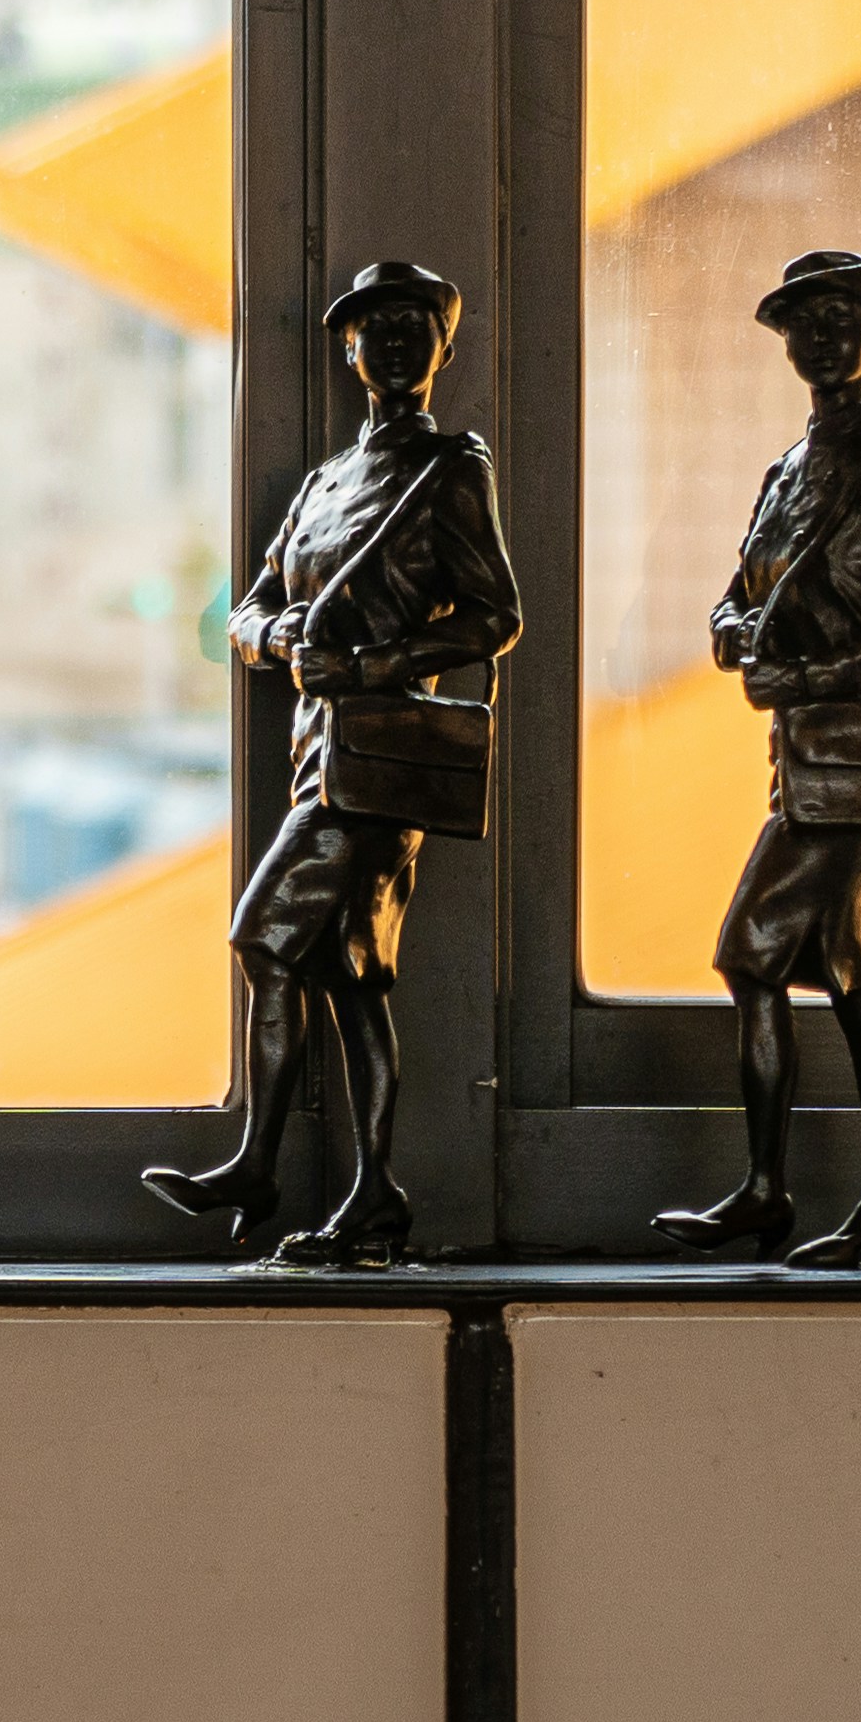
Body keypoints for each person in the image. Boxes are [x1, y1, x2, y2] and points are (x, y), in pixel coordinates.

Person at [141, 262, 522, 1269]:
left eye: (412, 325)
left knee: (265, 937)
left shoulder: (448, 471)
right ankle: (373, 1194)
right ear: (345, 349)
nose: (390, 341)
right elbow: (245, 611)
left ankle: (258, 1161)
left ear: (441, 347)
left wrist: (380, 660)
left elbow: (496, 617)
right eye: (370, 327)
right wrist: (281, 645)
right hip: (316, 744)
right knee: (352, 973)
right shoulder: (320, 483)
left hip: (385, 750)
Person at [657, 248, 861, 1269]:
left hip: (849, 754)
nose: (819, 335)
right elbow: (737, 591)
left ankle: (764, 1188)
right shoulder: (783, 471)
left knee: (748, 956)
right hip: (797, 752)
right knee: (851, 980)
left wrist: (830, 664)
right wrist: (727, 627)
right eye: (801, 320)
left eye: (840, 316)